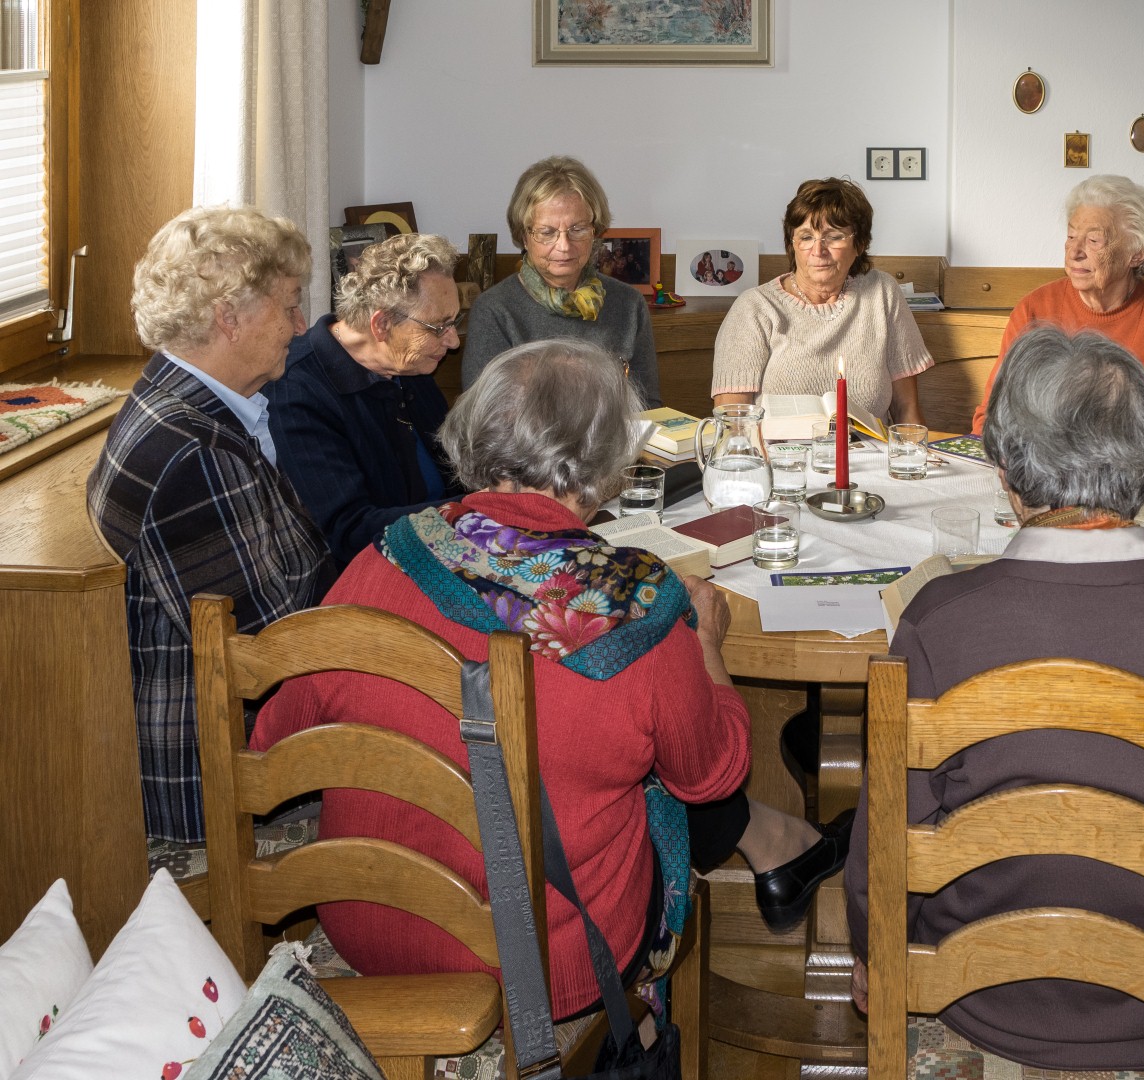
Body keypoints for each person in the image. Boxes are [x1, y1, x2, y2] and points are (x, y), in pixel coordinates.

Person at [252, 340, 850, 1017]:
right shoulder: (634, 603)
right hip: (544, 958)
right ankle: (654, 1016)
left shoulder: (386, 553)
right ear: (607, 460)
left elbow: (279, 737)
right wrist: (706, 644)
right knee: (661, 774)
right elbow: (713, 775)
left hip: (367, 924)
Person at [845, 327, 1144, 1071]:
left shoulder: (940, 620)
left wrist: (872, 951)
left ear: (1005, 470)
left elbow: (883, 846)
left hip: (982, 997)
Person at [87, 205, 335, 844]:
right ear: (229, 317)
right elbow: (268, 653)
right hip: (218, 780)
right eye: (289, 306)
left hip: (230, 737)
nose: (300, 325)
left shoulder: (180, 402)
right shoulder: (192, 452)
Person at [970, 175, 1144, 503]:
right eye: (1071, 236)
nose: (1074, 252)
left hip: (1133, 496)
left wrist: (1066, 479)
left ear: (1136, 254)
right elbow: (993, 416)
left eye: (1093, 240)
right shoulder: (1035, 308)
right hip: (1037, 484)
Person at [267, 232, 464, 567]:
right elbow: (347, 532)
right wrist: (474, 510)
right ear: (382, 324)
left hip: (443, 551)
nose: (454, 341)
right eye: (438, 327)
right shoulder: (297, 390)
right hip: (369, 577)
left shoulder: (410, 365)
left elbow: (454, 474)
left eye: (454, 322)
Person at [711, 177, 932, 426]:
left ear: (859, 244)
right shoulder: (753, 308)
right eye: (806, 237)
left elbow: (906, 410)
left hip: (868, 449)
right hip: (778, 450)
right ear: (792, 244)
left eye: (834, 237)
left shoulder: (882, 292)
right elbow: (733, 425)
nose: (818, 251)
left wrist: (914, 449)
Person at [461, 156, 660, 406]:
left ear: (595, 231)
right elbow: (485, 415)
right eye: (547, 232)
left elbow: (648, 405)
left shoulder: (629, 304)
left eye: (577, 229)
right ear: (524, 237)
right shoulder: (495, 310)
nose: (564, 246)